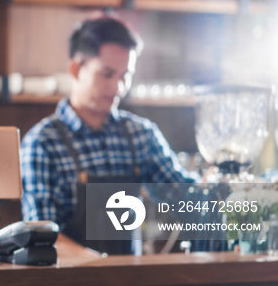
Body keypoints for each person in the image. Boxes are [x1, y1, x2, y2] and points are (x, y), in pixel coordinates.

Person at [20, 15, 196, 257]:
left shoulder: (140, 135)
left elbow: (183, 196)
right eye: (107, 74)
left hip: (129, 284)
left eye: (125, 76)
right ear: (75, 69)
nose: (118, 87)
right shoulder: (42, 144)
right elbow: (42, 237)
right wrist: (100, 267)